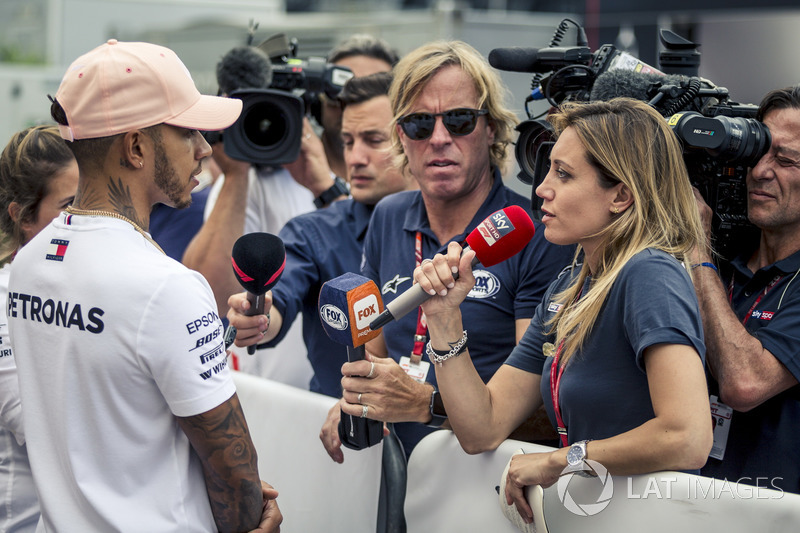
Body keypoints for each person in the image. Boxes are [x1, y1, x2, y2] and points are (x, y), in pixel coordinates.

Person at [7, 40, 281, 532]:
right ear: (135, 147)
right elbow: (233, 467)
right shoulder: (165, 287)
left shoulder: (30, 261)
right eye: (186, 132)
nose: (204, 148)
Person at [413, 98, 713, 525]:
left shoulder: (649, 273)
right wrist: (444, 318)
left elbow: (687, 436)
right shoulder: (569, 287)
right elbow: (482, 427)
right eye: (549, 168)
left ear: (622, 195)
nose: (541, 189)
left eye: (564, 174)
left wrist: (561, 461)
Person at [319, 40, 576, 463]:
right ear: (400, 135)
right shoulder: (388, 214)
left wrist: (428, 404)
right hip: (397, 473)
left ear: (491, 128)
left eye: (459, 121)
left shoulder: (533, 232)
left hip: (486, 481)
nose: (439, 139)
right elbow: (376, 357)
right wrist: (357, 399)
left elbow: (546, 411)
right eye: (419, 124)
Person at [226, 72, 416, 397]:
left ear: (414, 135)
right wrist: (255, 317)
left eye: (373, 140)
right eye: (347, 142)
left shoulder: (465, 225)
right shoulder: (312, 232)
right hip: (346, 438)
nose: (355, 158)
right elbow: (273, 308)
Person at [691, 85, 800, 494]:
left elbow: (744, 383)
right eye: (758, 153)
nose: (759, 171)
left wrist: (696, 253)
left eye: (786, 159)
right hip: (682, 502)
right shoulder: (724, 256)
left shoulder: (703, 257)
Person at [0, 125, 79, 533]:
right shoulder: (3, 294)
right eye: (68, 208)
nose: (83, 220)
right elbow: (35, 424)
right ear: (23, 216)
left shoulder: (82, 280)